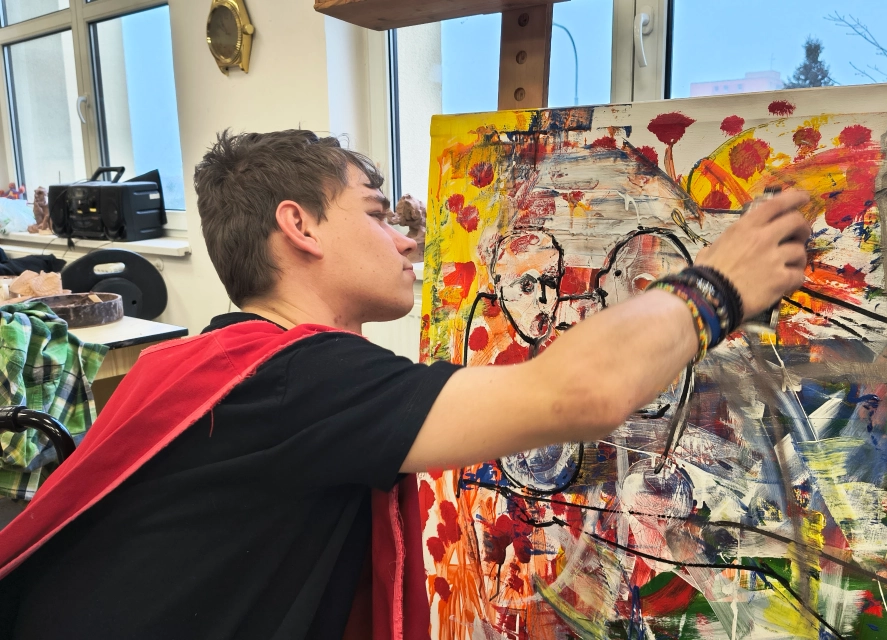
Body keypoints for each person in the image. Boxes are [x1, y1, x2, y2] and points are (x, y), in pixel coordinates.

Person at [0, 130, 811, 639]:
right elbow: (578, 395)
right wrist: (721, 285)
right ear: (300, 226)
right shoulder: (298, 380)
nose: (406, 241)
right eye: (379, 214)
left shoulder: (213, 357)